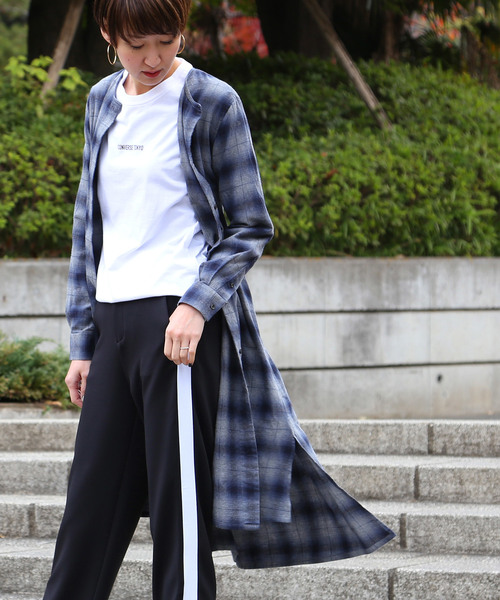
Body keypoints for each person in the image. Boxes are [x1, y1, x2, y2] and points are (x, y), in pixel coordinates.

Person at [43, 1, 394, 598]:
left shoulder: (211, 101)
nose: (152, 58)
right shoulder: (102, 100)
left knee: (178, 508)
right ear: (108, 35)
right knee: (90, 502)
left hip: (176, 326)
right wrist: (83, 341)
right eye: (136, 44)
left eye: (166, 40)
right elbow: (87, 225)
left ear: (182, 33)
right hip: (112, 320)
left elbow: (250, 225)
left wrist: (196, 304)